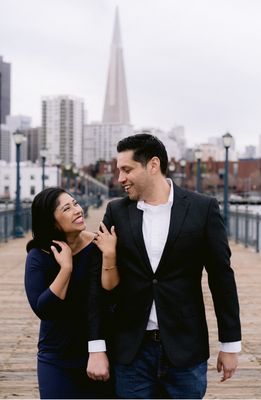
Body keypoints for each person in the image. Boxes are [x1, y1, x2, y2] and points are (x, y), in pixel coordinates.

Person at [95, 133, 241, 399]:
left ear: (153, 165)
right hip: (131, 351)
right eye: (119, 170)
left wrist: (230, 344)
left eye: (127, 169)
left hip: (186, 350)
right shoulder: (116, 211)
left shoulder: (203, 208)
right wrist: (96, 347)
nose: (120, 179)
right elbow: (99, 285)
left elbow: (221, 278)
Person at [24, 187, 116, 399]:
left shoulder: (97, 245)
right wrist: (66, 269)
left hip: (100, 351)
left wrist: (110, 254)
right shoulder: (39, 255)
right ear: (52, 222)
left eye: (75, 203)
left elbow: (109, 295)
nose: (77, 210)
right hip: (56, 356)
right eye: (67, 208)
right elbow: (44, 310)